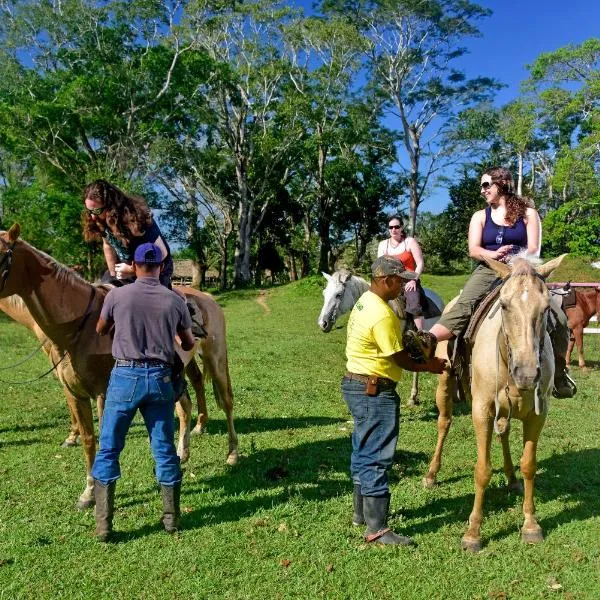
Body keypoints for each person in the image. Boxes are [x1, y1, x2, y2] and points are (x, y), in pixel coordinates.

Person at [427, 166, 575, 398]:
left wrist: (516, 260)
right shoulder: (480, 216)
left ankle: (559, 374)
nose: (482, 190)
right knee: (464, 303)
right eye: (481, 186)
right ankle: (429, 342)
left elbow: (534, 248)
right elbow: (474, 249)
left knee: (558, 317)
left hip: (525, 270)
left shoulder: (529, 213)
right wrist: (494, 256)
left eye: (486, 185)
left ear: (502, 184)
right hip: (489, 269)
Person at [91, 242, 195, 542]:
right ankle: (171, 519)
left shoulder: (117, 295)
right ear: (161, 267)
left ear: (134, 267)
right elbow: (187, 344)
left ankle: (104, 524)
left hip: (125, 376)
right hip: (160, 380)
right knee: (163, 449)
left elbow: (100, 329)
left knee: (110, 447)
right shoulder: (174, 300)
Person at [342, 256, 447, 546]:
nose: (403, 285)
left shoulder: (364, 302)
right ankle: (377, 530)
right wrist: (429, 365)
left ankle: (361, 514)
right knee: (376, 454)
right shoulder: (382, 315)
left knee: (363, 449)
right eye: (400, 280)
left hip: (356, 384)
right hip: (375, 389)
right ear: (385, 279)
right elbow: (398, 358)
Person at [82, 178, 206, 340]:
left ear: (111, 206)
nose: (92, 217)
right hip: (127, 267)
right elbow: (107, 244)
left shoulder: (138, 218)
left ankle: (184, 313)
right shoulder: (100, 220)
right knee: (102, 293)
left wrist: (132, 270)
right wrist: (114, 273)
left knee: (152, 307)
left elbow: (162, 252)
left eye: (96, 211)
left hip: (156, 267)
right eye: (88, 211)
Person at [377, 216, 426, 330]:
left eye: (396, 227)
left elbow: (420, 263)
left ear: (401, 227)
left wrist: (414, 280)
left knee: (414, 303)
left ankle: (422, 334)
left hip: (409, 280)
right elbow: (380, 266)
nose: (394, 230)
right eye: (391, 227)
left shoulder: (410, 242)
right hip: (390, 281)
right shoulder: (383, 245)